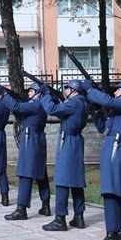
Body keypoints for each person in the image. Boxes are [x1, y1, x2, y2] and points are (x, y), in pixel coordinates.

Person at [81, 80, 121, 240]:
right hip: (113, 144)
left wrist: (91, 90)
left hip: (118, 146)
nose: (114, 93)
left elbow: (108, 100)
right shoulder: (117, 110)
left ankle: (112, 236)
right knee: (119, 190)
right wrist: (97, 110)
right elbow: (103, 129)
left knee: (111, 190)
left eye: (117, 90)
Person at [39, 79, 88, 231]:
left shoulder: (73, 102)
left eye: (67, 89)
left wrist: (46, 95)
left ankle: (60, 218)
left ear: (74, 90)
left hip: (68, 141)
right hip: (75, 140)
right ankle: (79, 216)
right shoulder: (81, 102)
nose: (65, 91)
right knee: (76, 181)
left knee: (62, 180)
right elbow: (65, 115)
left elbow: (52, 110)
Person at [0, 82, 52, 220]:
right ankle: (45, 205)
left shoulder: (36, 104)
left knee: (25, 173)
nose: (28, 93)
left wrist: (5, 94)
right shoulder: (38, 105)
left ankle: (21, 209)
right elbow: (20, 112)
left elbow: (16, 106)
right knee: (40, 174)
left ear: (38, 93)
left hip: (31, 139)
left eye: (31, 91)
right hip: (36, 138)